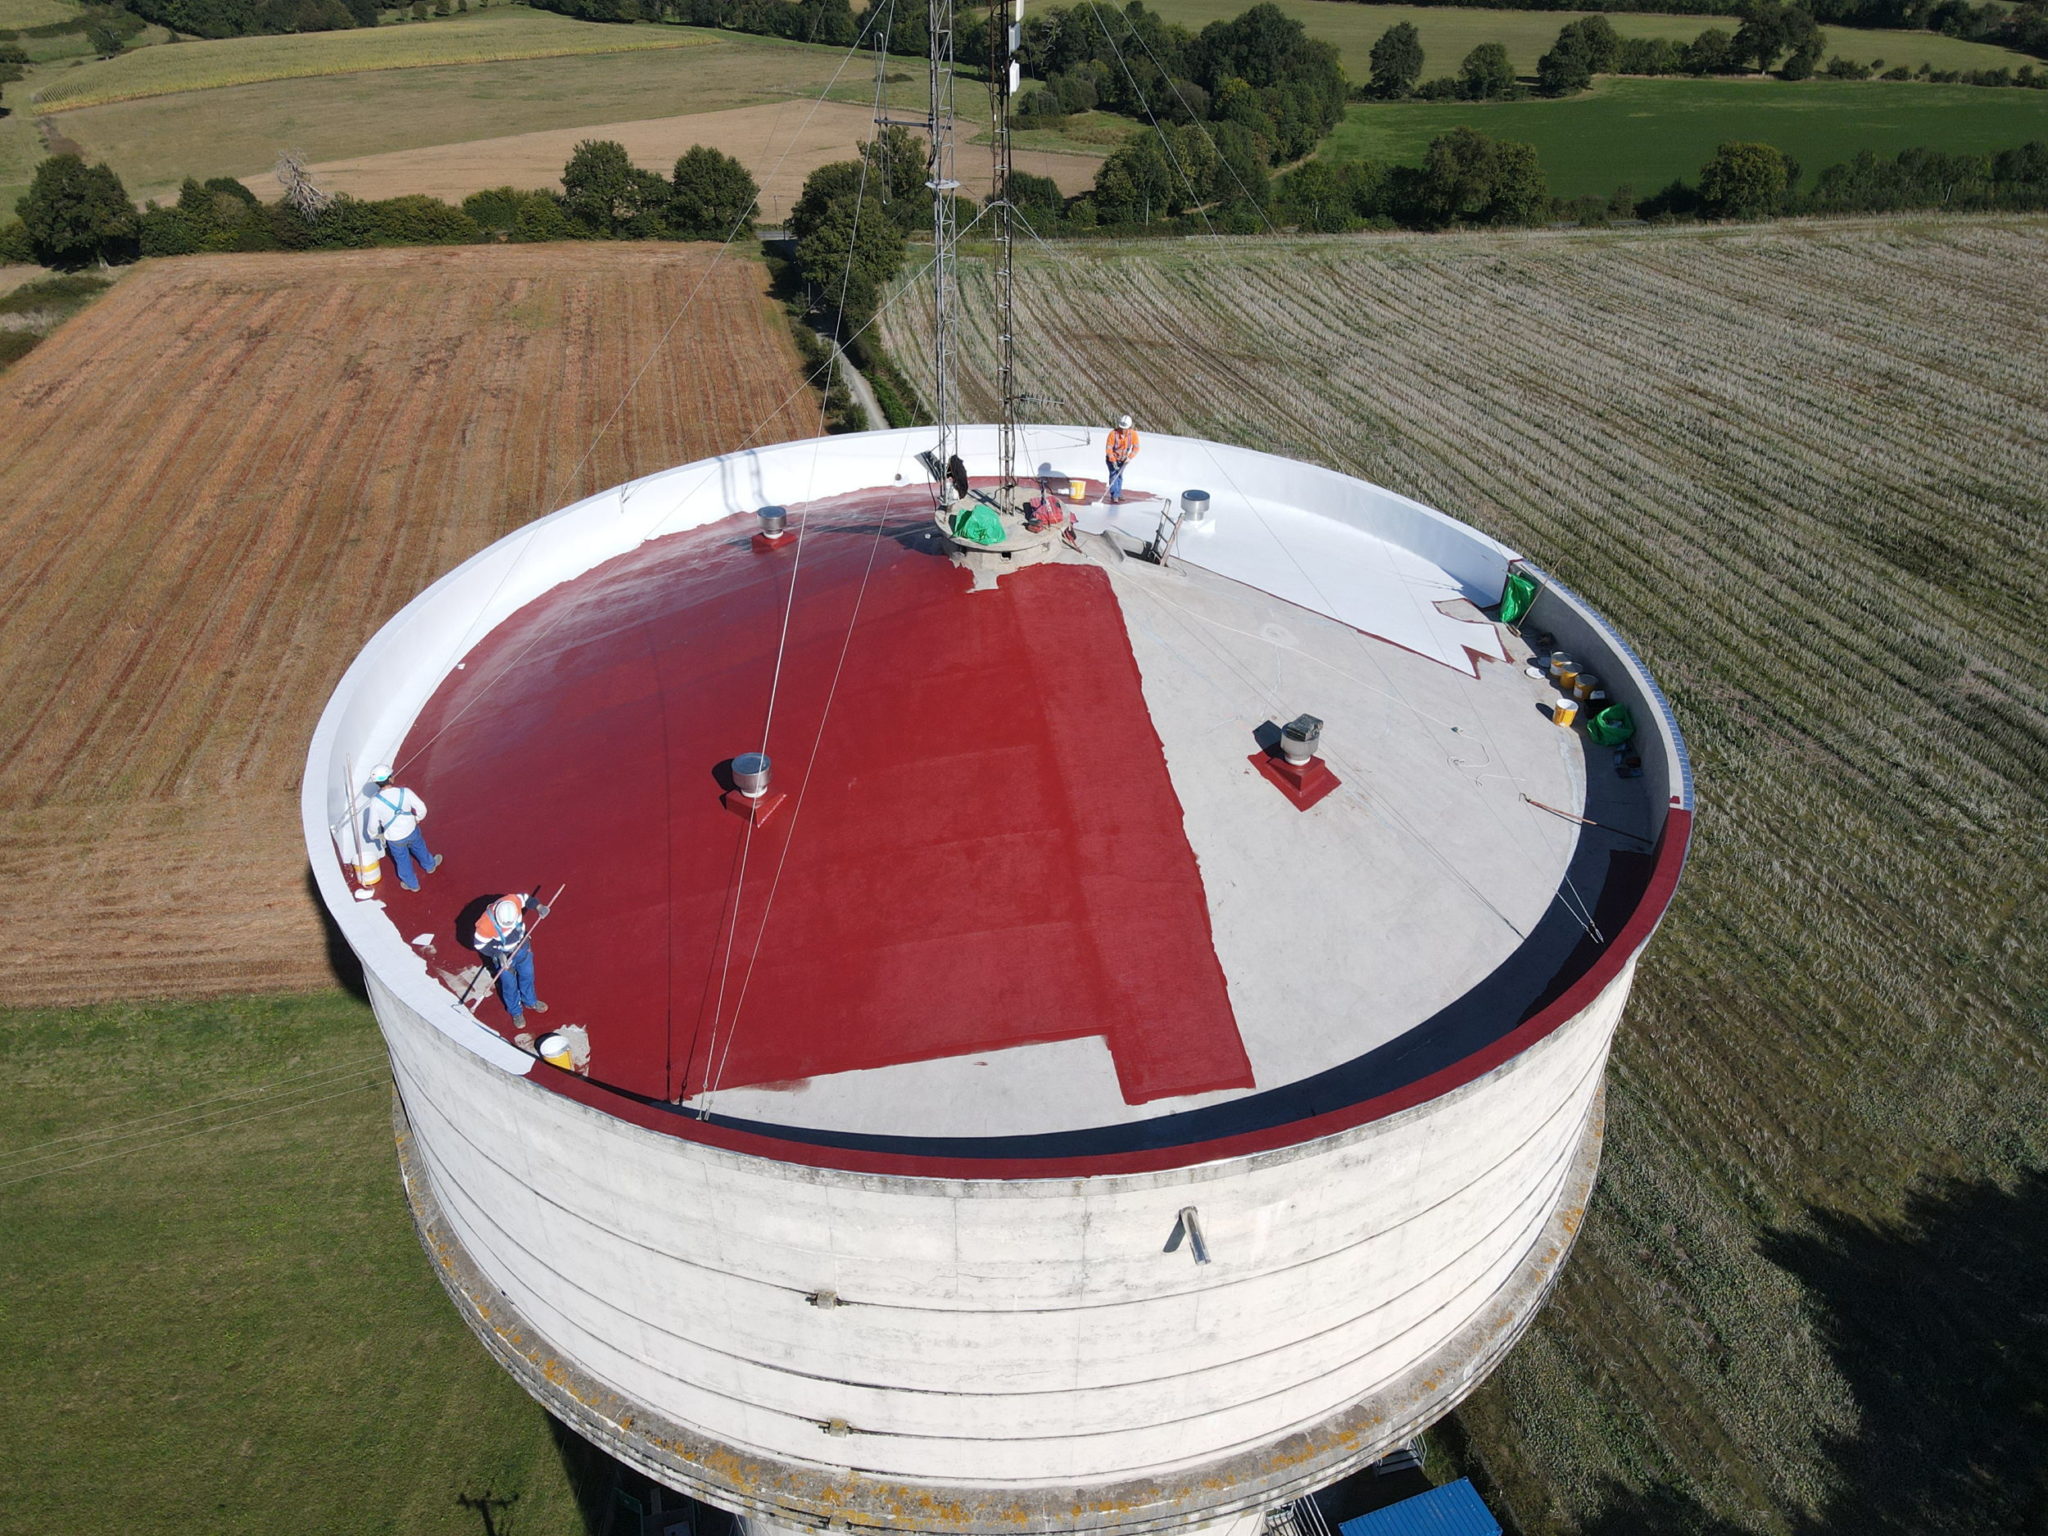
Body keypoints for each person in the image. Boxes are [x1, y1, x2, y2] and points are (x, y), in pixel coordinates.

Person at [474, 892, 550, 1029]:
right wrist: (497, 954)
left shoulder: (512, 901)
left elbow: (528, 900)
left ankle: (530, 1001)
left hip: (522, 947)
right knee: (509, 985)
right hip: (504, 957)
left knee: (528, 975)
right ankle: (516, 1012)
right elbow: (480, 945)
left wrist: (539, 907)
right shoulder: (485, 925)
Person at [363, 766, 441, 893]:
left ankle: (412, 884)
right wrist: (417, 818)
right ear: (391, 779)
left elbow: (372, 825)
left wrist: (374, 835)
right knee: (420, 847)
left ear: (377, 783)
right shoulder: (405, 792)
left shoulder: (375, 803)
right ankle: (430, 865)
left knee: (402, 860)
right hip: (412, 830)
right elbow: (422, 808)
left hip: (394, 839)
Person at [1105, 414, 1139, 504]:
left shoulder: (1133, 435)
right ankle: (1114, 495)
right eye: (1122, 428)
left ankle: (1118, 493)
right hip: (1112, 459)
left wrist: (1130, 457)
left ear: (1129, 427)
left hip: (1124, 459)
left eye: (1125, 428)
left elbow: (1136, 448)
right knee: (1113, 475)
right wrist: (1113, 460)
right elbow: (1108, 449)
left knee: (1119, 476)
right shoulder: (1113, 434)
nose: (1123, 430)